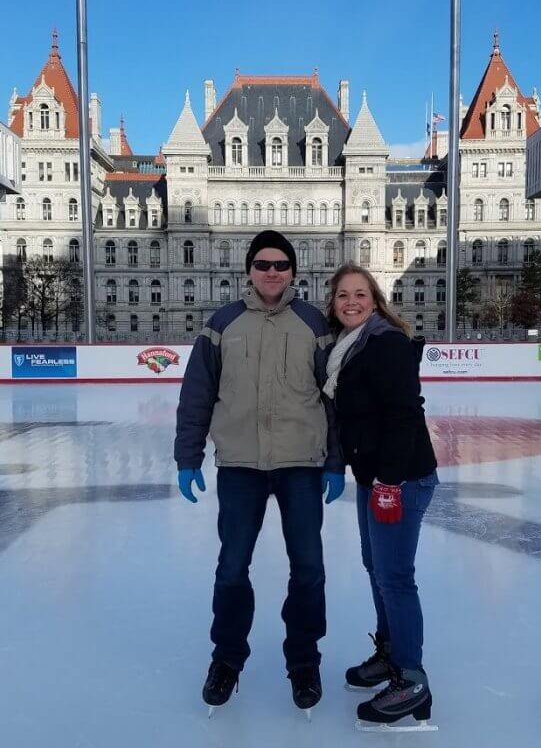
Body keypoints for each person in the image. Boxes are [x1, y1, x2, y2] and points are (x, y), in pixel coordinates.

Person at [175, 229, 345, 717]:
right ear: (249, 269)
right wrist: (188, 456)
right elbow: (197, 394)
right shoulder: (221, 323)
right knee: (232, 569)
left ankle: (304, 662)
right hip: (241, 467)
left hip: (300, 467)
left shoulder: (315, 323)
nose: (273, 272)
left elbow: (334, 401)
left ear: (293, 270)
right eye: (264, 264)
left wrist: (334, 461)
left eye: (281, 264)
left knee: (309, 570)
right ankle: (226, 659)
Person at [323, 262, 439, 730]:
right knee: (378, 570)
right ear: (332, 305)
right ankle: (390, 656)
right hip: (376, 478)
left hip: (402, 480)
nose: (351, 302)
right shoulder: (348, 348)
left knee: (395, 578)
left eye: (361, 294)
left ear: (375, 301)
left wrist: (390, 482)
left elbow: (404, 416)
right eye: (342, 295)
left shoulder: (385, 344)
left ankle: (411, 677)